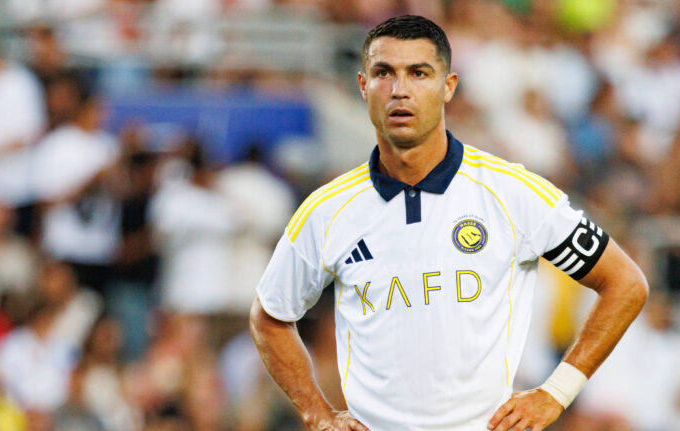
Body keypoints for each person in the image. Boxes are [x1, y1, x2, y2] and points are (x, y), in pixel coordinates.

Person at [250, 15, 648, 431]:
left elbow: (625, 283)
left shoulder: (511, 193)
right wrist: (317, 414)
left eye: (418, 73)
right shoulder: (327, 211)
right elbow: (270, 316)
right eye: (383, 73)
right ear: (363, 86)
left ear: (448, 87)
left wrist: (556, 393)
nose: (400, 90)